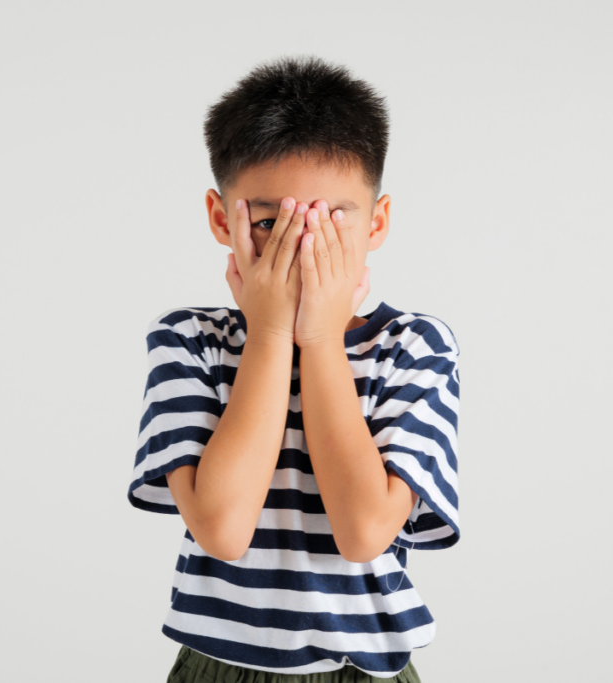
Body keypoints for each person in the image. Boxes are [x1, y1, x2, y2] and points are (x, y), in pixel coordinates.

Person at [128, 55, 461, 683]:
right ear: (223, 220)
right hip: (218, 666)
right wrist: (274, 333)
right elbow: (223, 529)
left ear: (377, 223)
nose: (303, 248)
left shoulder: (414, 346)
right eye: (269, 225)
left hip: (365, 671)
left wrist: (320, 339)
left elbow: (364, 531)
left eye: (333, 221)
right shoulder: (189, 341)